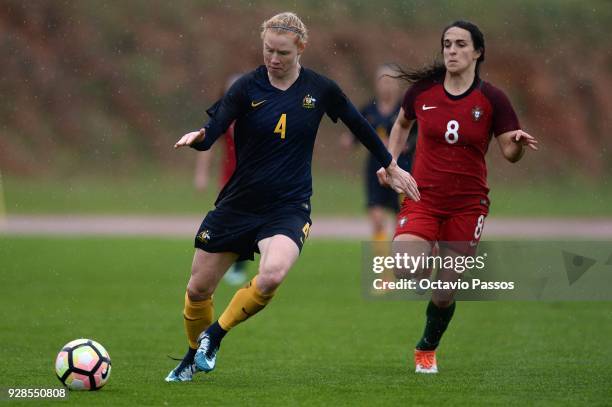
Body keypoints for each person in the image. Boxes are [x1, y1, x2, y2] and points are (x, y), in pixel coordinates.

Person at [166, 12, 420, 382]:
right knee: (197, 289)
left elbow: (359, 125)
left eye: (282, 52)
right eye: (268, 49)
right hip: (238, 203)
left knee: (271, 276)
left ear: (301, 48)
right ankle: (191, 357)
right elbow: (215, 126)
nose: (273, 58)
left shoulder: (320, 89)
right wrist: (199, 138)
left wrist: (390, 164)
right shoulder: (246, 88)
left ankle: (214, 337)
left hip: (289, 206)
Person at [377, 20, 538, 374]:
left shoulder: (492, 99)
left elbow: (509, 153)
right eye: (447, 44)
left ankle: (426, 349)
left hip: (468, 205)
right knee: (406, 265)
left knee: (444, 292)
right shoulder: (421, 92)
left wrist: (519, 147)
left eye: (461, 44)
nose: (451, 50)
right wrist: (391, 164)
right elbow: (402, 124)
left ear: (477, 52)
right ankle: (429, 247)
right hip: (423, 196)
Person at [341, 64, 417, 242]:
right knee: (376, 216)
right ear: (377, 84)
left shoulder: (405, 109)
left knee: (402, 219)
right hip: (375, 169)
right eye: (383, 81)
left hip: (401, 167)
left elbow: (419, 135)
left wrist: (407, 145)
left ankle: (400, 258)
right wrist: (350, 141)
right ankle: (382, 263)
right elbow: (358, 131)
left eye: (391, 81)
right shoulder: (369, 109)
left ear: (397, 85)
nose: (387, 86)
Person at [194, 74, 249, 286]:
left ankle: (238, 267)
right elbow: (206, 144)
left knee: (245, 221)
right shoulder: (224, 117)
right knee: (225, 221)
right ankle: (225, 263)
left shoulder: (260, 113)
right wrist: (201, 174)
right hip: (228, 178)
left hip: (253, 177)